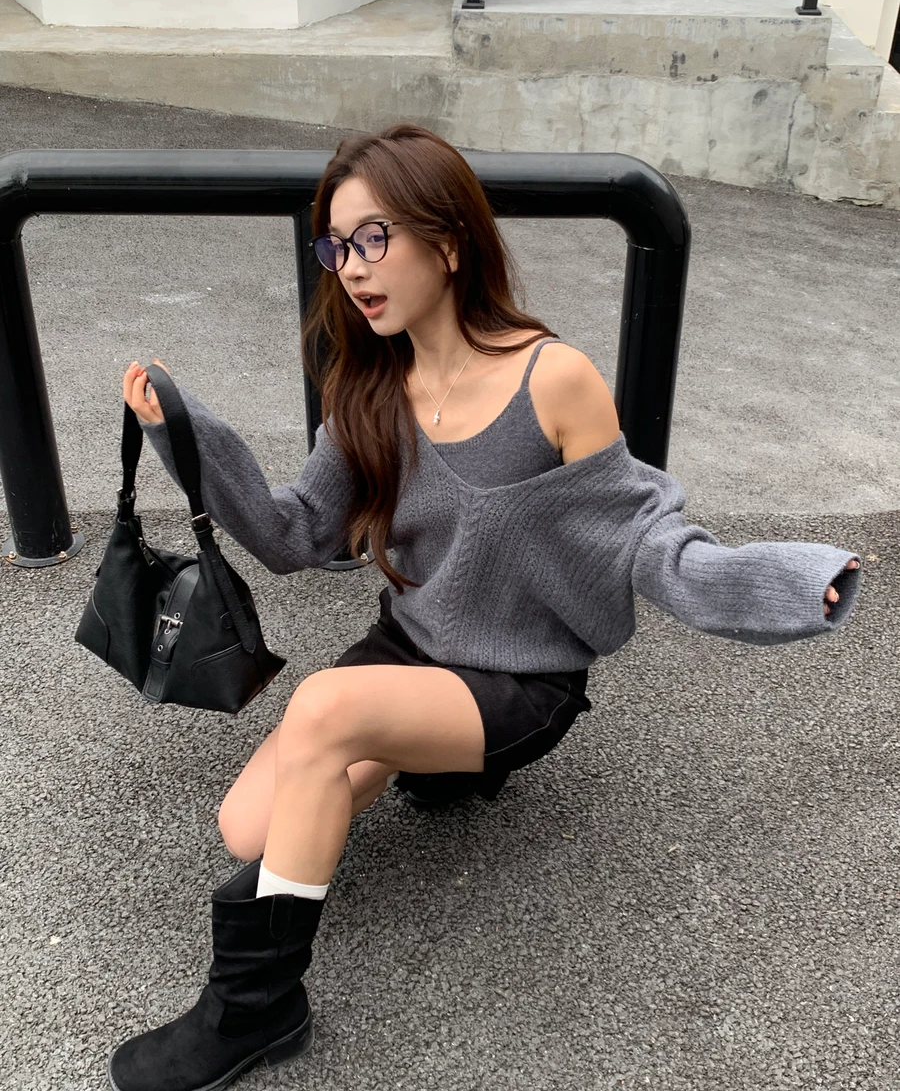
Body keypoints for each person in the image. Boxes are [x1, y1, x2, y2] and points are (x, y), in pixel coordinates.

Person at [109, 123, 861, 1091]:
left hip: (519, 679)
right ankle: (421, 759)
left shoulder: (553, 379)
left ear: (451, 241)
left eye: (373, 238)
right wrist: (186, 433)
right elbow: (294, 535)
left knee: (323, 714)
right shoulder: (369, 391)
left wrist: (786, 581)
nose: (352, 268)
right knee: (246, 830)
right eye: (337, 247)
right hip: (412, 649)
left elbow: (644, 537)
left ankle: (255, 1007)